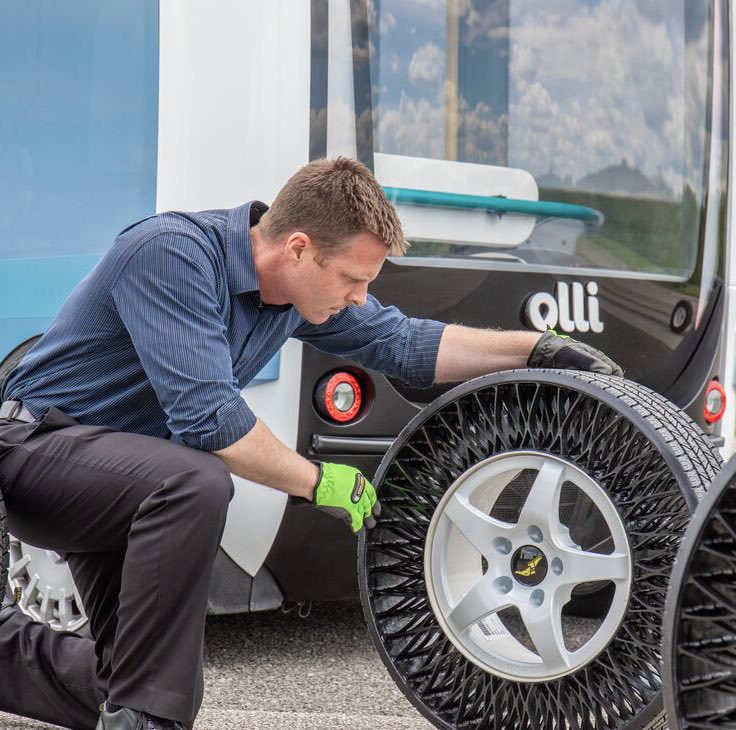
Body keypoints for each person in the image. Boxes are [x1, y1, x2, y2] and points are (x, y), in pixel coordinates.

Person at [0, 157, 622, 730]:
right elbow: (208, 419)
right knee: (194, 481)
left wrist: (536, 349)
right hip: (32, 447)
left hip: (121, 477)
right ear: (298, 248)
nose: (358, 296)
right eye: (353, 278)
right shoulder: (173, 255)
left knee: (139, 684)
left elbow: (406, 343)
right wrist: (316, 479)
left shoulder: (295, 296)